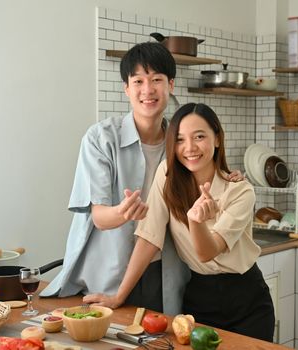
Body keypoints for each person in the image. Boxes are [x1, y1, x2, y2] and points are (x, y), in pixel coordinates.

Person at [41, 43, 242, 315]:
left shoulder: (180, 141)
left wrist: (226, 177)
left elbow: (205, 176)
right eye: (138, 81)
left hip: (163, 272)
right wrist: (123, 212)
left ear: (170, 85)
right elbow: (99, 217)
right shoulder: (100, 138)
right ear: (126, 88)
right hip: (108, 275)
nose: (148, 90)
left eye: (157, 80)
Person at [90, 103, 275, 342]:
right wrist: (119, 296)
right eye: (179, 139)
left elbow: (207, 252)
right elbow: (150, 236)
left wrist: (195, 221)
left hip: (247, 300)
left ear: (217, 139)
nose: (189, 148)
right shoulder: (167, 175)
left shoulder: (240, 191)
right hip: (200, 298)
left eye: (199, 136)